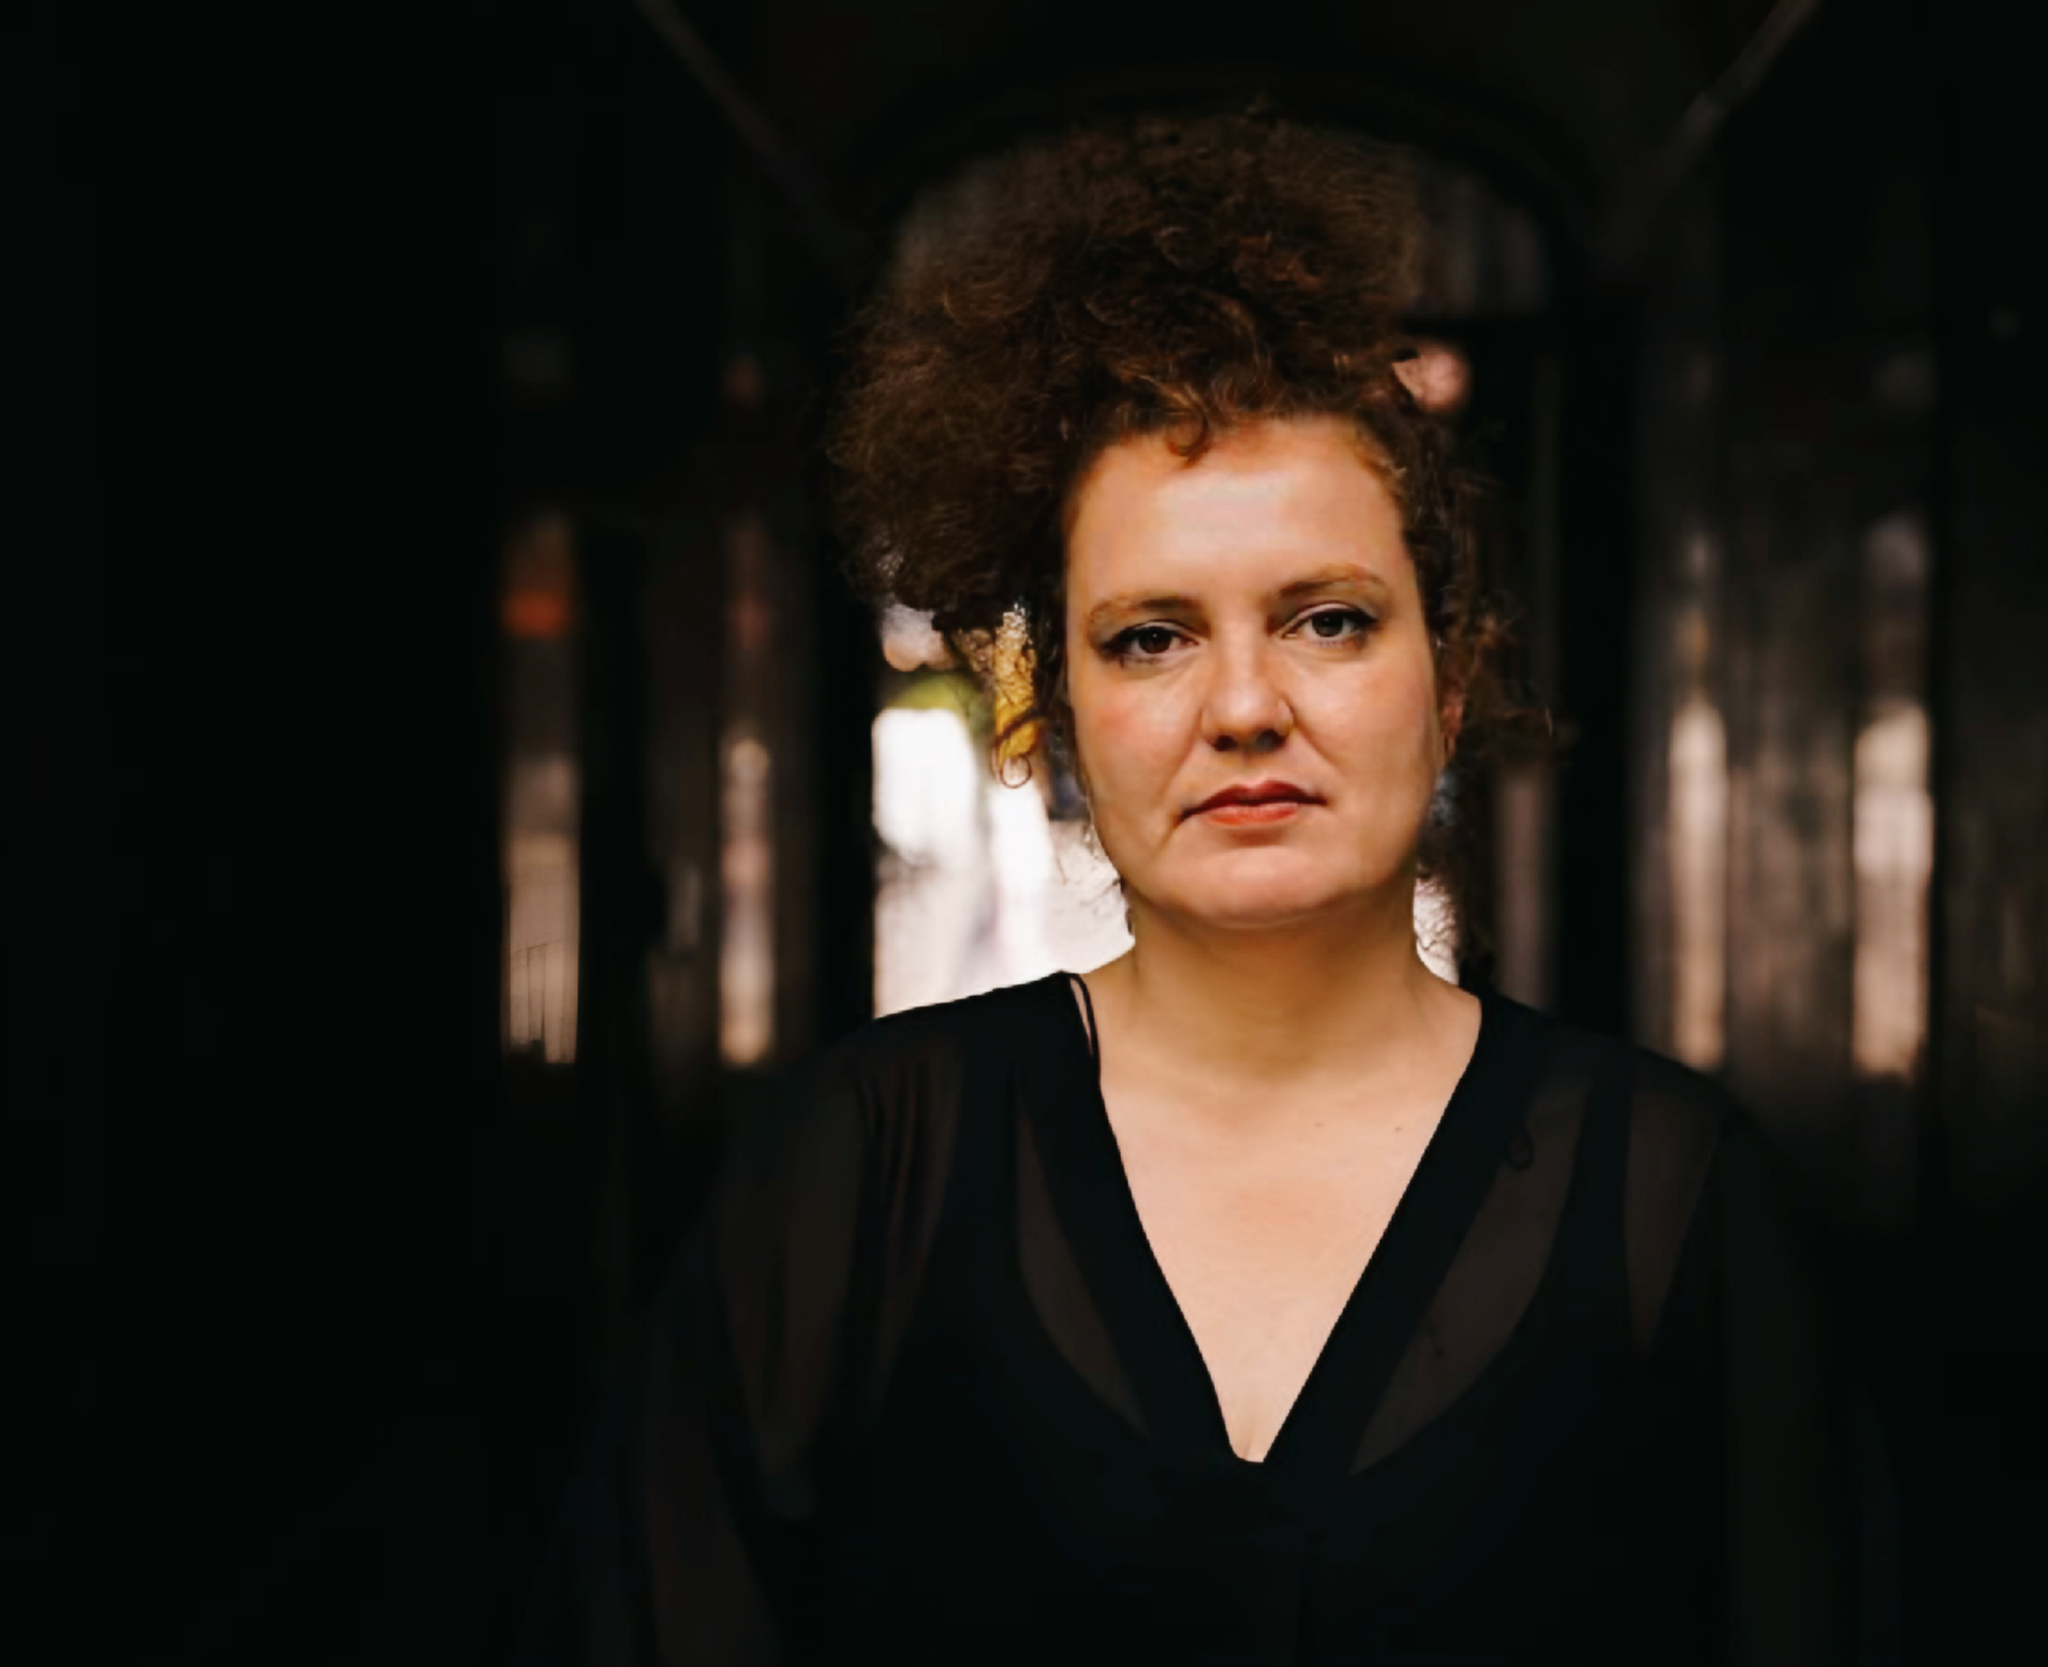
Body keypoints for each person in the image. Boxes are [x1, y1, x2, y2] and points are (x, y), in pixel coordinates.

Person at [518, 100, 1862, 1663]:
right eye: (1150, 635)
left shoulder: (1673, 1198)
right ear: (1058, 712)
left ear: (1451, 684)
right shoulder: (861, 1174)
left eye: (1327, 619)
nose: (1242, 705)